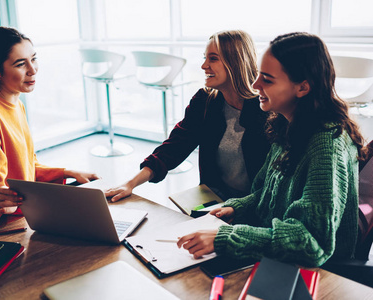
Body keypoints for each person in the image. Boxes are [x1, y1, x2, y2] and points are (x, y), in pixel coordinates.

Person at [177, 32, 367, 267]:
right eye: (258, 75)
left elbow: (311, 243)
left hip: (319, 272)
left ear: (303, 87)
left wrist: (227, 237)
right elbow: (267, 195)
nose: (255, 85)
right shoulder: (286, 123)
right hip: (276, 253)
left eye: (267, 79)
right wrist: (234, 209)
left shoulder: (327, 144)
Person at [105, 30, 270, 202]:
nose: (204, 65)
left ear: (235, 62)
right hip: (215, 198)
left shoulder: (267, 108)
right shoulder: (205, 101)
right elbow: (174, 147)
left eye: (213, 59)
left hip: (256, 205)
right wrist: (130, 184)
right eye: (204, 58)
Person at [0, 27, 99, 228]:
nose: (32, 69)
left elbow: (26, 167)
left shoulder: (16, 105)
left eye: (33, 59)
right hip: (5, 225)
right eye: (20, 64)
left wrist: (67, 173)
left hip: (26, 213)